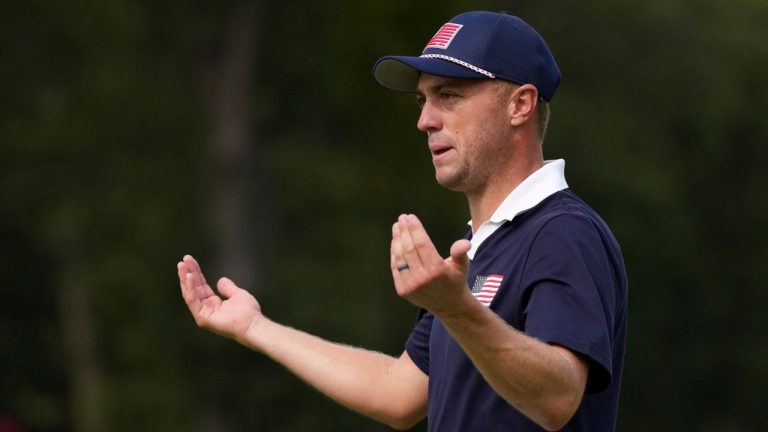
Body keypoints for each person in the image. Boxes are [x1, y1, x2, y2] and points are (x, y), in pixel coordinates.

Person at [178, 10, 627, 432]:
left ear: (520, 105)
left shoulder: (563, 232)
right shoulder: (477, 248)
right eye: (422, 99)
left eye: (448, 95)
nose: (424, 121)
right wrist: (256, 328)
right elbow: (398, 392)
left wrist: (456, 309)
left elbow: (559, 397)